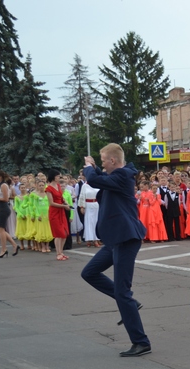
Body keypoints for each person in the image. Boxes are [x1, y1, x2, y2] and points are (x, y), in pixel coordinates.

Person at [81, 144, 152, 357]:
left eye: (103, 161)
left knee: (122, 291)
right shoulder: (118, 177)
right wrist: (96, 169)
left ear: (113, 161)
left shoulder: (123, 176)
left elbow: (93, 180)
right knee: (89, 273)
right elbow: (100, 183)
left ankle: (141, 342)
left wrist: (88, 167)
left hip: (126, 238)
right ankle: (130, 303)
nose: (102, 165)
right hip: (115, 239)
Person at [0, 170, 19, 257]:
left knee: (1, 230)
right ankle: (14, 245)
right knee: (1, 229)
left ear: (0, 176)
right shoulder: (0, 185)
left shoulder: (4, 185)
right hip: (1, 208)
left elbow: (6, 199)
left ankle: (4, 249)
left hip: (4, 208)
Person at [45, 170, 71, 261]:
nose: (59, 178)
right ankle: (58, 253)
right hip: (54, 212)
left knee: (65, 233)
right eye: (58, 176)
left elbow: (61, 197)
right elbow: (51, 203)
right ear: (53, 176)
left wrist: (65, 202)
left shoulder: (58, 186)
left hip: (61, 211)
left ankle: (61, 252)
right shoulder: (48, 188)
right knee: (58, 233)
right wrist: (63, 206)